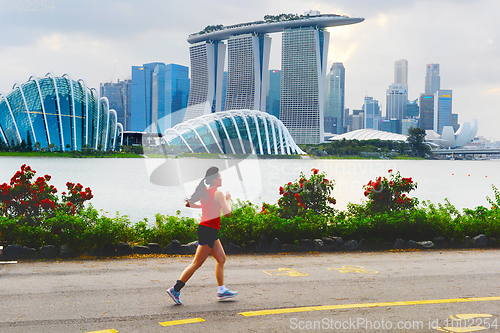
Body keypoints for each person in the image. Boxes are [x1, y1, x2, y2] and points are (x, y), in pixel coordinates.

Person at [167, 166, 238, 305]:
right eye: (220, 177)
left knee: (221, 259)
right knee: (196, 263)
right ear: (215, 180)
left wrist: (204, 207)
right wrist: (228, 199)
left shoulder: (205, 192)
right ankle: (175, 289)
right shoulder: (218, 194)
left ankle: (222, 290)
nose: (221, 178)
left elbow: (189, 204)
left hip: (207, 230)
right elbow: (228, 213)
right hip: (208, 231)